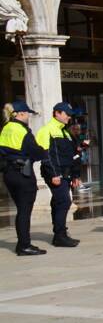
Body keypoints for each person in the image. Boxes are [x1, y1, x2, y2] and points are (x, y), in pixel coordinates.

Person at [1, 102, 48, 255]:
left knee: (21, 210)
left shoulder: (5, 128)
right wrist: (44, 151)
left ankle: (22, 244)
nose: (28, 116)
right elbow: (35, 152)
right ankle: (24, 246)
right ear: (20, 114)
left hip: (9, 173)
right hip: (23, 174)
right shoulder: (22, 131)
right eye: (27, 113)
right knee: (24, 211)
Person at [35, 102, 81, 247]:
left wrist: (75, 175)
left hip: (66, 173)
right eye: (66, 114)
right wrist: (54, 174)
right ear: (57, 113)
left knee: (57, 202)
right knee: (64, 201)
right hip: (55, 174)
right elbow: (46, 155)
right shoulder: (46, 130)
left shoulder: (65, 132)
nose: (69, 117)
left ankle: (60, 234)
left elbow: (72, 155)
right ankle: (60, 236)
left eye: (70, 115)